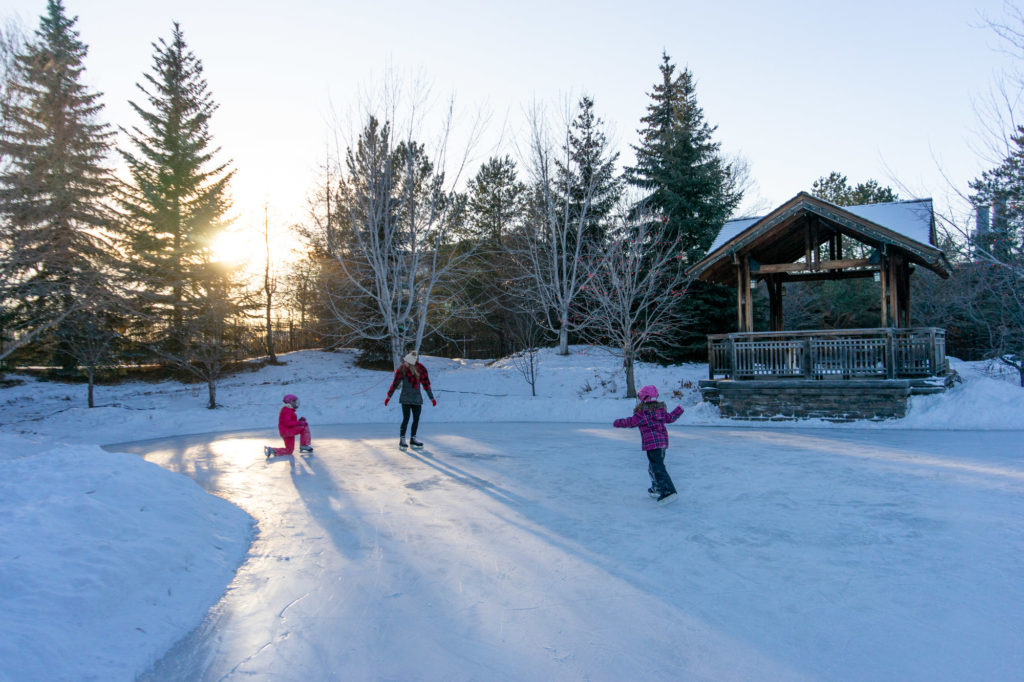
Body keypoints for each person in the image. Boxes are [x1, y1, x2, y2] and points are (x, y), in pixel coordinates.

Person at [613, 385, 683, 504]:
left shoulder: (643, 414)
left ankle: (668, 491)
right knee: (653, 467)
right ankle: (657, 488)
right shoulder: (660, 411)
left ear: (643, 398)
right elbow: (670, 418)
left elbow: (630, 422)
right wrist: (678, 410)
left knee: (657, 468)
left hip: (652, 445)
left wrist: (618, 422)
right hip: (662, 444)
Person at [385, 350, 436, 448]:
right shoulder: (402, 370)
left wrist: (432, 398)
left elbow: (426, 385)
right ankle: (402, 439)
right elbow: (395, 384)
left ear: (411, 362)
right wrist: (388, 396)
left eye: (406, 361)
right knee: (406, 419)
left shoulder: (421, 370)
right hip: (406, 398)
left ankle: (413, 439)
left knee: (416, 419)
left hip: (417, 399)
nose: (404, 363)